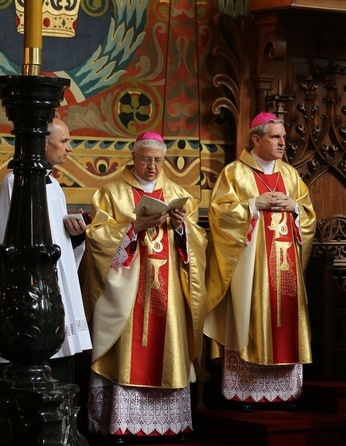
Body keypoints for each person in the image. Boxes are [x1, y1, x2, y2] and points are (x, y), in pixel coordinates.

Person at [82, 131, 207, 442]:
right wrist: (132, 228)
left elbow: (199, 242)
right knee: (128, 350)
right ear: (133, 158)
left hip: (167, 288)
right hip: (129, 288)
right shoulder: (112, 192)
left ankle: (170, 423)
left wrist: (181, 228)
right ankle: (120, 423)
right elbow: (96, 237)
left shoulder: (178, 193)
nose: (153, 167)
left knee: (167, 346)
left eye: (158, 161)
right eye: (146, 160)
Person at [205, 112, 316, 408]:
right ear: (256, 139)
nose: (283, 143)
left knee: (284, 320)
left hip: (285, 268)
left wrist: (295, 208)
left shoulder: (290, 175)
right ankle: (244, 392)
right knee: (249, 318)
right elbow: (219, 214)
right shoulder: (235, 173)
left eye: (283, 137)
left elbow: (309, 216)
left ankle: (285, 392)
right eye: (276, 137)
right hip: (251, 269)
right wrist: (254, 204)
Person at [0, 117, 91, 384]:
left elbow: (59, 240)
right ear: (43, 143)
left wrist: (75, 235)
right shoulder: (15, 182)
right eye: (64, 141)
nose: (69, 148)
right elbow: (7, 235)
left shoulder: (54, 184)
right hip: (28, 289)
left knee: (60, 366)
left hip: (55, 283)